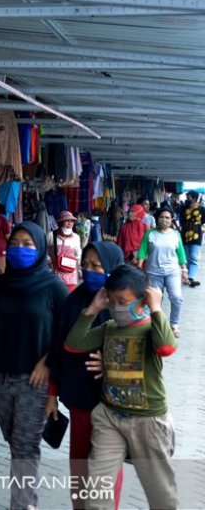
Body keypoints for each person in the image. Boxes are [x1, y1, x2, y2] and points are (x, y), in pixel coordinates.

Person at [0, 221, 68, 510]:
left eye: (27, 244)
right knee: (15, 442)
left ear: (39, 249)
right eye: (14, 243)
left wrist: (48, 364)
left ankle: (23, 506)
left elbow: (68, 331)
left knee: (24, 447)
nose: (19, 249)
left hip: (34, 380)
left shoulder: (53, 286)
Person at [65, 265, 178, 510]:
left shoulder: (150, 329)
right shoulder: (109, 329)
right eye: (113, 301)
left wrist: (157, 308)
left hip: (148, 421)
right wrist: (93, 309)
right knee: (97, 490)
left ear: (143, 300)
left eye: (123, 301)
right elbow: (74, 344)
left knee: (160, 492)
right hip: (110, 417)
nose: (117, 307)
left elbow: (166, 348)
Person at [46, 241, 125, 509]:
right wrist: (52, 395)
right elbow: (59, 349)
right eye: (86, 265)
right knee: (80, 465)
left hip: (112, 405)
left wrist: (111, 363)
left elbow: (145, 350)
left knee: (106, 471)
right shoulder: (74, 302)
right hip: (80, 402)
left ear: (113, 268)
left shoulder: (125, 304)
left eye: (97, 265)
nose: (89, 270)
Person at [136, 206, 187, 337]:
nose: (164, 220)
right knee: (155, 300)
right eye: (162, 217)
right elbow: (142, 250)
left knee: (176, 298)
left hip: (172, 272)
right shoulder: (150, 233)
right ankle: (156, 324)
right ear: (157, 218)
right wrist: (139, 265)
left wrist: (184, 269)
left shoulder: (175, 235)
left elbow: (181, 253)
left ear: (172, 220)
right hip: (153, 272)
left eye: (167, 218)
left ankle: (174, 324)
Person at [51, 210, 82, 291]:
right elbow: (45, 251)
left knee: (69, 296)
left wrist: (79, 268)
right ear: (61, 222)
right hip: (56, 273)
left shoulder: (76, 237)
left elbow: (78, 253)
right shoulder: (52, 235)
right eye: (67, 221)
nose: (70, 223)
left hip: (71, 273)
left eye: (72, 221)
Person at [179, 190, 205, 287]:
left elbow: (203, 221)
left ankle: (190, 277)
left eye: (189, 197)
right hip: (184, 235)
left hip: (196, 236)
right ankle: (186, 276)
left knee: (193, 257)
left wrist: (194, 224)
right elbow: (181, 220)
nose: (187, 199)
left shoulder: (202, 209)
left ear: (194, 198)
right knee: (185, 257)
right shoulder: (183, 208)